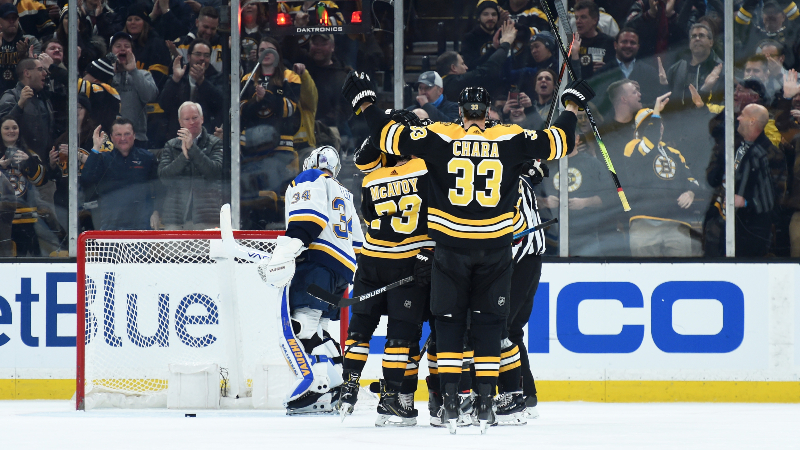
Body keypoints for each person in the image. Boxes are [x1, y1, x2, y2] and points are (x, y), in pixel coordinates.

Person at [342, 71, 590, 433]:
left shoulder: (441, 135)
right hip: (495, 251)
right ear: (488, 110)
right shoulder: (509, 136)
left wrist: (365, 102)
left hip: (448, 250)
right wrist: (571, 104)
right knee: (489, 324)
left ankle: (449, 402)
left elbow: (385, 134)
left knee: (449, 325)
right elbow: (560, 141)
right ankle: (488, 401)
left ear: (460, 111)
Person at [339, 111, 432, 427]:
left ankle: (349, 385)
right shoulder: (425, 169)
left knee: (360, 329)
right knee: (399, 336)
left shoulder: (372, 178)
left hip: (369, 262)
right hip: (406, 264)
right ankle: (391, 398)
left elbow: (368, 215)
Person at [259, 145, 365, 415]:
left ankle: (315, 385)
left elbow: (308, 221)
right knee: (320, 329)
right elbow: (357, 242)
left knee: (300, 327)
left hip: (318, 264)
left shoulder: (310, 178)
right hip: (342, 270)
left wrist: (288, 249)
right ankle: (338, 384)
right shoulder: (345, 192)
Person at [239, 37, 301, 229]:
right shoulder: (247, 78)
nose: (265, 53)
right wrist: (256, 102)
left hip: (281, 147)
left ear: (277, 54)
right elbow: (241, 113)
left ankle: (273, 227)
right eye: (261, 49)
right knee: (251, 194)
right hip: (251, 148)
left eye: (270, 49)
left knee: (273, 189)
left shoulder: (290, 77)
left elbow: (290, 109)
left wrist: (267, 97)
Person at [705, 104, 776, 257]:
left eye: (742, 115)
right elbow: (713, 179)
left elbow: (770, 198)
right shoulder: (737, 147)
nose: (737, 118)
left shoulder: (762, 153)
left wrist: (745, 202)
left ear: (752, 121)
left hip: (750, 233)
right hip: (727, 226)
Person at [80, 118, 158, 230]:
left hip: (141, 224)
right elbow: (86, 180)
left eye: (127, 134)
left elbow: (158, 188)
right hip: (111, 224)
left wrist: (156, 212)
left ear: (134, 135)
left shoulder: (147, 158)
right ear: (111, 137)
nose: (123, 138)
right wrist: (96, 147)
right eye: (118, 134)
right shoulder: (103, 159)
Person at [156, 102, 223, 230]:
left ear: (202, 119)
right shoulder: (171, 145)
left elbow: (214, 173)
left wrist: (192, 148)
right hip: (175, 218)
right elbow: (164, 178)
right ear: (180, 122)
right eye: (187, 119)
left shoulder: (215, 143)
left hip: (207, 218)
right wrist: (184, 156)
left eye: (195, 117)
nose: (192, 122)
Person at [158, 39, 223, 139]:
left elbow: (220, 103)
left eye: (206, 55)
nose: (202, 58)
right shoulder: (178, 76)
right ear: (188, 57)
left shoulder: (218, 77)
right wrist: (175, 80)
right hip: (177, 136)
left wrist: (202, 82)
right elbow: (164, 104)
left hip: (207, 137)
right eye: (198, 54)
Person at [0, 116, 46, 256]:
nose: (11, 131)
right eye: (6, 128)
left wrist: (29, 163)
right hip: (2, 220)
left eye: (14, 128)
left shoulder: (29, 154)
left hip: (27, 219)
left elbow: (41, 181)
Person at [440, 20, 517, 102]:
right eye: (462, 64)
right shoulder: (456, 83)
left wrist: (494, 48)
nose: (466, 67)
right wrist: (506, 43)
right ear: (453, 68)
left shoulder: (444, 82)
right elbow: (487, 70)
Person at [109, 31, 159, 149]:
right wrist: (109, 73)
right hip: (108, 139)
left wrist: (134, 71)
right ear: (111, 51)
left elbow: (150, 96)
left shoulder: (143, 74)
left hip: (137, 139)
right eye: (118, 46)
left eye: (127, 46)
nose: (122, 49)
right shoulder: (103, 76)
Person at [663, 23, 723, 110]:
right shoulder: (676, 69)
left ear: (711, 42)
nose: (697, 39)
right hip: (679, 121)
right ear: (689, 43)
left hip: (708, 120)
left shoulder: (722, 70)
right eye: (693, 36)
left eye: (701, 36)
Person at [0, 3, 41, 93]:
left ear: (18, 19)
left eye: (14, 18)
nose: (11, 21)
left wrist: (24, 57)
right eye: (7, 18)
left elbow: (38, 73)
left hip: (23, 93)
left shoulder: (31, 41)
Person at [573, 0, 615, 81]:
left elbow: (616, 70)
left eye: (583, 17)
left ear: (595, 20)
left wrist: (605, 69)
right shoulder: (571, 42)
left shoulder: (609, 42)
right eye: (576, 18)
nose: (578, 21)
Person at [173, 6, 223, 73]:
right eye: (206, 27)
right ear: (197, 22)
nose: (209, 32)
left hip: (216, 82)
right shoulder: (181, 44)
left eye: (213, 28)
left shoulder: (223, 45)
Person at [460, 0, 501, 69]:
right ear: (478, 18)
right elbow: (471, 66)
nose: (490, 18)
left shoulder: (503, 34)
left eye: (494, 14)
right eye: (485, 14)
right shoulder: (469, 38)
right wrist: (493, 48)